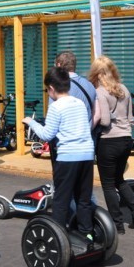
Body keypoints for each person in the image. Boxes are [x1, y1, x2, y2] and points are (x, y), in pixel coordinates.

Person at [23, 66, 95, 239]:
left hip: (68, 157)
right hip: (87, 155)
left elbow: (47, 134)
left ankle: (58, 237)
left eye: (47, 90)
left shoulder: (56, 107)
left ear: (52, 89)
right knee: (83, 199)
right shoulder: (78, 103)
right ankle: (87, 234)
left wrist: (31, 123)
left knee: (61, 200)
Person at [89, 56, 134, 234]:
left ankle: (117, 223)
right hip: (126, 139)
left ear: (97, 73)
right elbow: (130, 118)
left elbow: (104, 120)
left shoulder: (100, 91)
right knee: (119, 179)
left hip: (108, 140)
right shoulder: (124, 89)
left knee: (107, 184)